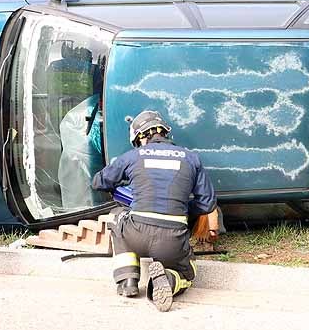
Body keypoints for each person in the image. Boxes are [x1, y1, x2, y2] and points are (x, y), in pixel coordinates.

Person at [90, 110, 216, 312]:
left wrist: (125, 189)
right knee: (188, 272)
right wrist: (183, 209)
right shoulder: (191, 158)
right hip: (172, 242)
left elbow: (98, 181)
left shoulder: (133, 156)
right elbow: (207, 203)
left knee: (117, 218)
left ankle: (128, 279)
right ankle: (169, 279)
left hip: (135, 235)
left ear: (140, 137)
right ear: (165, 133)